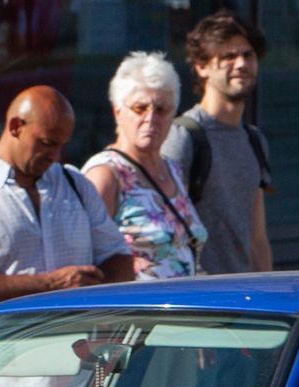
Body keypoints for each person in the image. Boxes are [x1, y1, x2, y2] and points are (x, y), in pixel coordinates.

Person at [0, 86, 134, 305]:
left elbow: (118, 257)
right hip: (2, 336)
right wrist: (51, 284)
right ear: (16, 127)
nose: (55, 156)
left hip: (77, 335)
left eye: (62, 146)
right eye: (47, 143)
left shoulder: (75, 184)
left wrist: (98, 305)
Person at [162, 10, 274, 274]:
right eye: (228, 56)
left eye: (248, 55)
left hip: (247, 296)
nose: (241, 64)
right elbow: (165, 231)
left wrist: (270, 290)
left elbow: (257, 238)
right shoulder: (183, 136)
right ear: (202, 66)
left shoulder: (255, 140)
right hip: (202, 301)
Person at [83, 52, 207, 280]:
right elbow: (84, 259)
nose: (150, 119)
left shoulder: (172, 169)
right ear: (118, 112)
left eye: (161, 110)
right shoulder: (106, 174)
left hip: (186, 309)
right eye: (140, 108)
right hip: (136, 312)